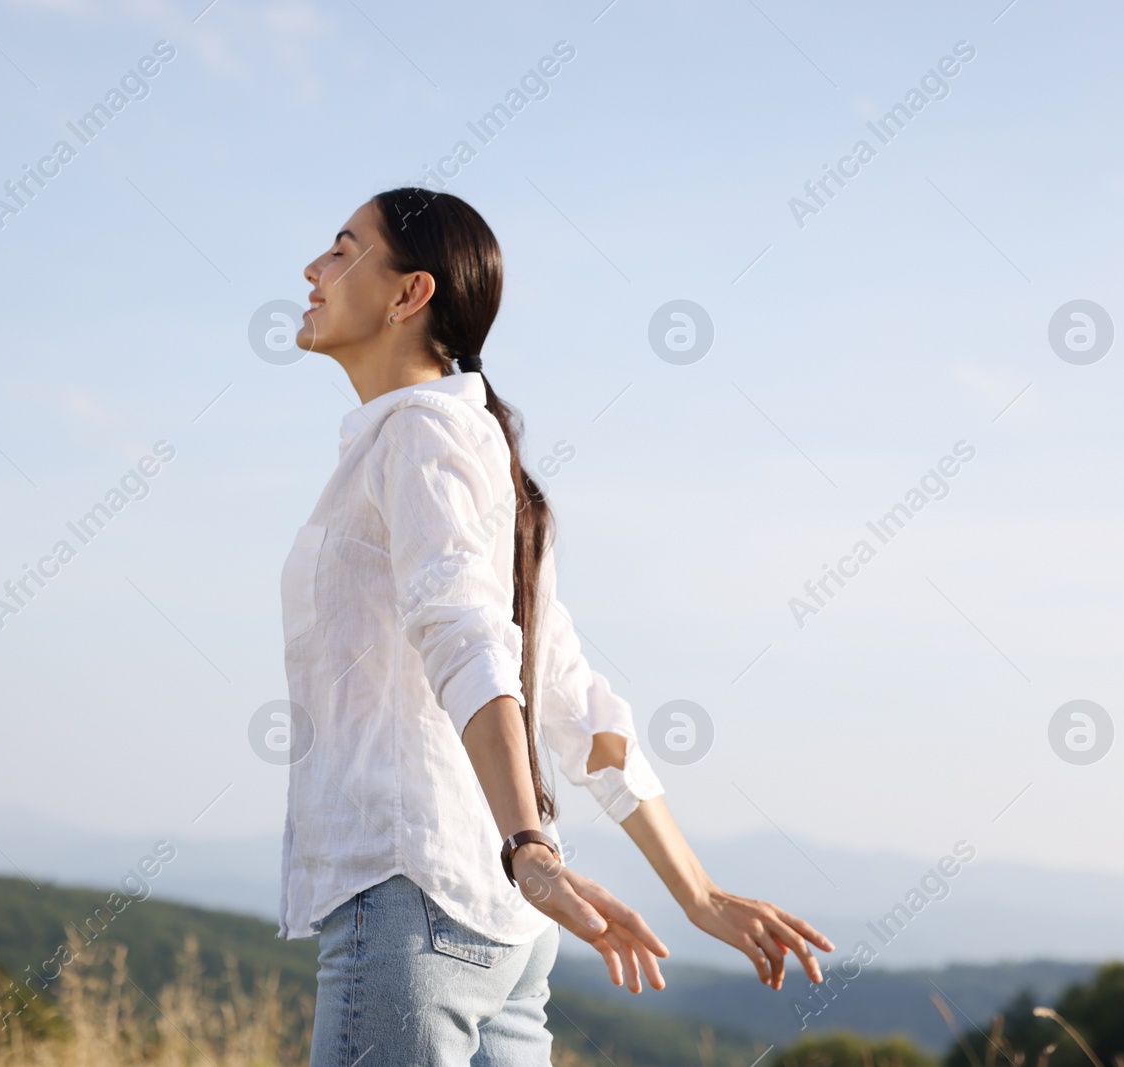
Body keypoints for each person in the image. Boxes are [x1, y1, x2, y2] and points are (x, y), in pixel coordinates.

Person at [278, 187, 832, 1066]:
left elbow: (470, 638)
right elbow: (571, 695)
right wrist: (695, 892)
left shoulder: (419, 437)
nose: (311, 269)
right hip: (501, 928)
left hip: (415, 897)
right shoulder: (470, 448)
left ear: (408, 294)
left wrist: (530, 846)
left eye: (343, 250)